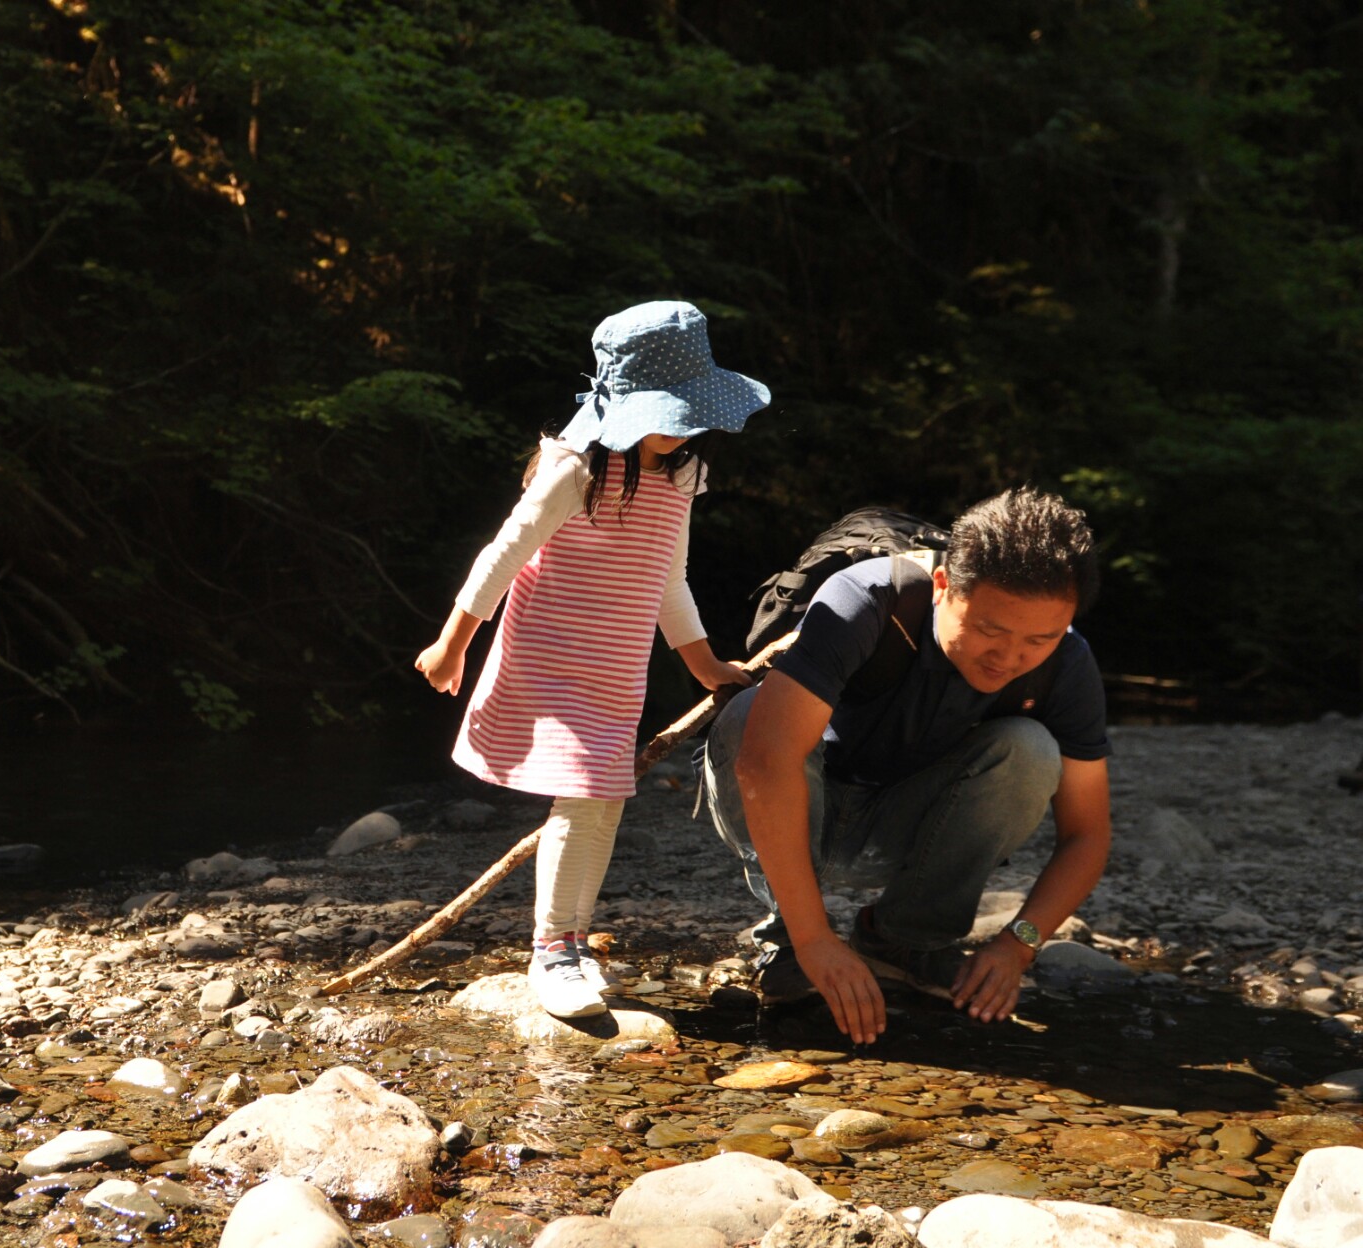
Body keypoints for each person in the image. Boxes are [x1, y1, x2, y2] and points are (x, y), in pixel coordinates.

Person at [416, 300, 770, 1018]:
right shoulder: (575, 468)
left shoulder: (682, 473)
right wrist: (452, 641)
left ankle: (573, 939)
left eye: (689, 412)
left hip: (616, 667)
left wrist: (707, 667)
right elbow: (503, 553)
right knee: (582, 793)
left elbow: (670, 579)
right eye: (668, 413)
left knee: (603, 802)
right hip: (550, 655)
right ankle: (551, 949)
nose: (680, 427)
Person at [700, 488, 1112, 1044]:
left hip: (908, 827)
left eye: (1039, 638)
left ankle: (903, 942)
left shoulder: (1067, 663)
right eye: (989, 628)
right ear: (944, 586)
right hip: (798, 810)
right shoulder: (868, 598)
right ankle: (790, 937)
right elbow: (766, 763)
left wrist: (1018, 944)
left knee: (1030, 748)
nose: (1010, 657)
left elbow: (1087, 833)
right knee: (753, 716)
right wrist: (816, 938)